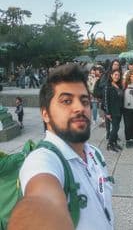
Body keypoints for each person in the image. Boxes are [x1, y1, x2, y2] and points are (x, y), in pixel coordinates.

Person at [9, 64, 114, 229]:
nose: (80, 108)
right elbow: (41, 200)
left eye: (85, 101)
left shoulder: (95, 153)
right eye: (66, 101)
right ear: (45, 114)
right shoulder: (43, 159)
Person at [103, 70, 124, 152]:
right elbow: (105, 100)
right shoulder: (107, 86)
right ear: (111, 75)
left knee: (117, 127)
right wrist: (107, 113)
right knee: (115, 127)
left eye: (118, 75)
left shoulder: (119, 85)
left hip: (119, 109)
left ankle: (114, 142)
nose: (117, 76)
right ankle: (110, 143)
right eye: (115, 75)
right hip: (112, 110)